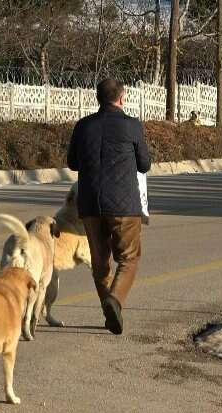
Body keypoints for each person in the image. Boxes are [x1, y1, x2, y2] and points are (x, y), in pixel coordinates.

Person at [67, 78, 151, 335]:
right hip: (124, 206)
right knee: (129, 258)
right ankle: (114, 301)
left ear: (98, 99)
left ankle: (109, 311)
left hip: (91, 204)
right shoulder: (132, 126)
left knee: (100, 263)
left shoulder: (83, 126)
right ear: (122, 98)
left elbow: (72, 163)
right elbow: (144, 164)